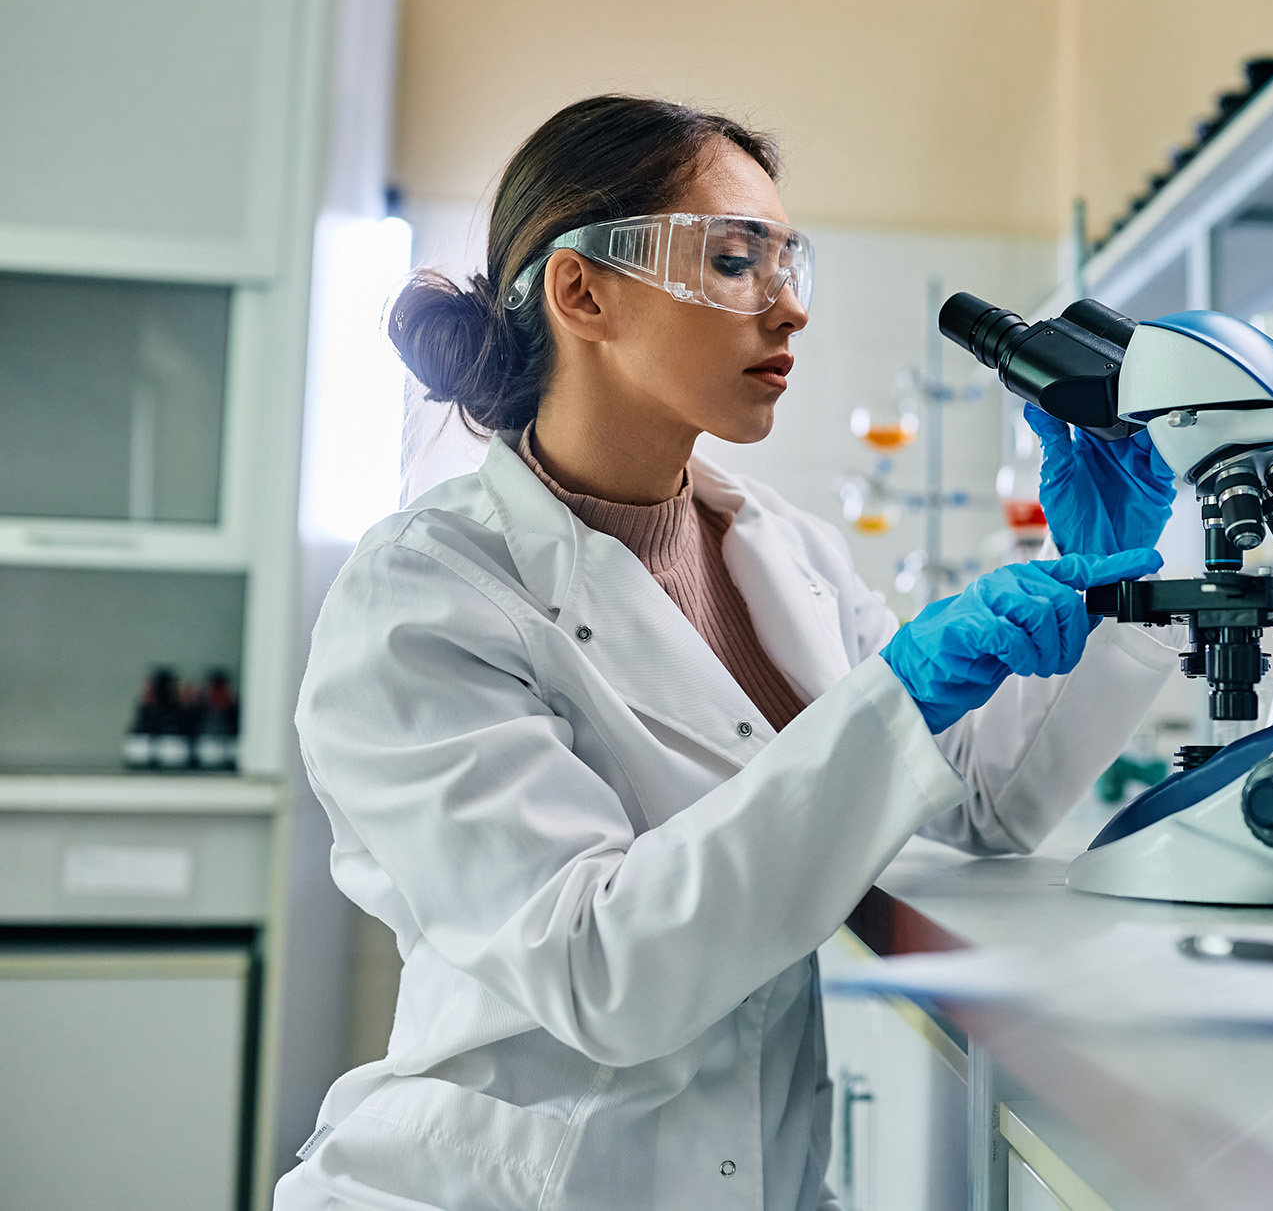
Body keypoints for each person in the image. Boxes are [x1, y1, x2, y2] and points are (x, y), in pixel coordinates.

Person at [277, 95, 1182, 1209]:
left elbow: (982, 804)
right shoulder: (422, 597)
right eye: (736, 259)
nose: (787, 306)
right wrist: (897, 698)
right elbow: (603, 971)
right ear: (582, 291)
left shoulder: (780, 550)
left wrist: (1117, 580)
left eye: (788, 262)